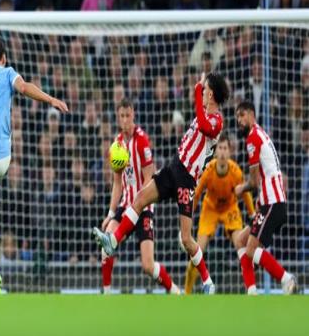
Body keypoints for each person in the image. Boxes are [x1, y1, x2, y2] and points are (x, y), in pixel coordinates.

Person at [94, 72, 229, 294]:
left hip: (187, 179)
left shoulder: (216, 120)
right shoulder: (203, 113)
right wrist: (199, 88)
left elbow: (205, 127)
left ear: (211, 94)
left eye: (205, 90)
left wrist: (197, 90)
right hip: (173, 167)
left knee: (186, 239)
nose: (202, 92)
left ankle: (207, 281)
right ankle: (113, 241)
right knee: (139, 199)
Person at [0, 37, 68, 293]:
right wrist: (51, 100)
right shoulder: (8, 72)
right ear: (4, 57)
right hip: (4, 158)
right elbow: (25, 87)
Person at [101, 99, 180, 294]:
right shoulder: (117, 146)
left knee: (147, 266)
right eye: (122, 116)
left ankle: (174, 289)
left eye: (128, 115)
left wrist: (137, 206)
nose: (125, 120)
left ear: (133, 115)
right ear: (118, 117)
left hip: (143, 208)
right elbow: (117, 183)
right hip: (125, 205)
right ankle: (106, 293)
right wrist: (111, 213)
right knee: (106, 244)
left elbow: (148, 179)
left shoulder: (142, 140)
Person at [233, 101, 297, 294]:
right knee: (240, 240)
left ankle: (287, 279)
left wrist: (240, 189)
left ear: (252, 115)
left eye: (242, 115)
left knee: (251, 250)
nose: (239, 120)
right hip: (270, 203)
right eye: (237, 117)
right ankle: (251, 291)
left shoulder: (253, 137)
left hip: (272, 203)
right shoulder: (260, 134)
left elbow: (254, 182)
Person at [184, 133, 255, 294]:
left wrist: (252, 214)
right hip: (210, 209)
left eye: (225, 148)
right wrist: (187, 217)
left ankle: (251, 289)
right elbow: (196, 195)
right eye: (220, 148)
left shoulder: (236, 171)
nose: (222, 152)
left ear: (230, 152)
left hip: (230, 208)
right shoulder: (208, 170)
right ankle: (186, 292)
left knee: (241, 244)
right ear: (215, 152)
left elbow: (246, 195)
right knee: (197, 251)